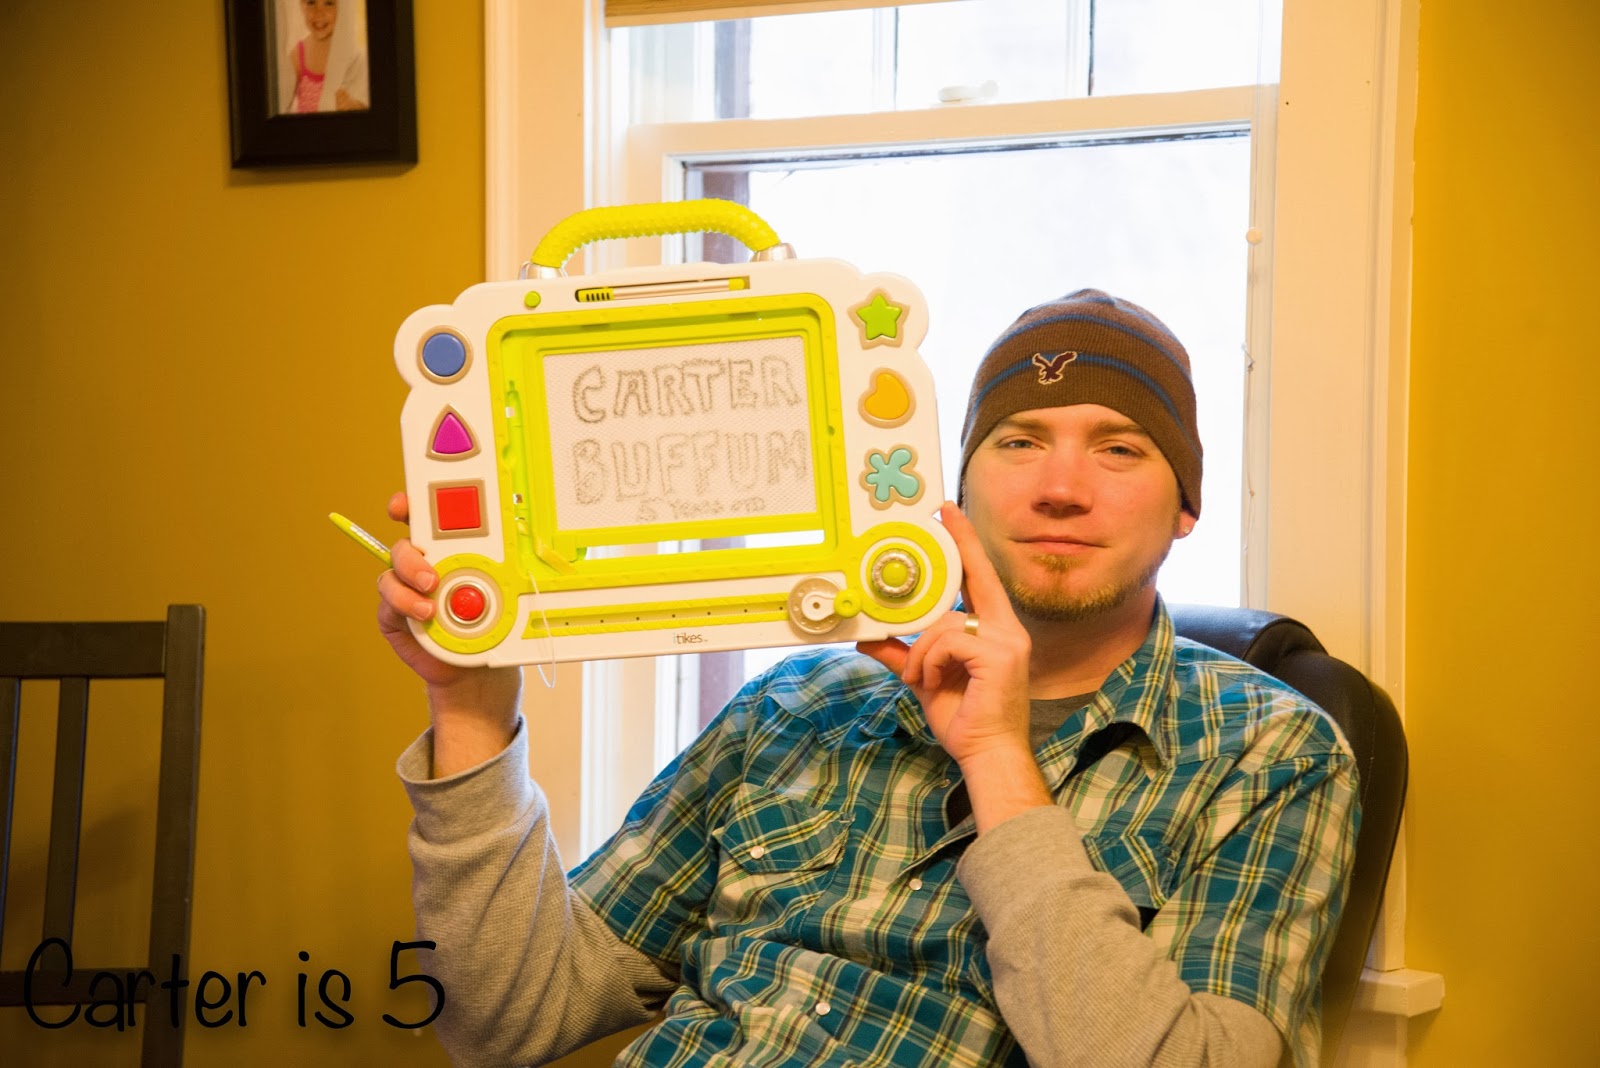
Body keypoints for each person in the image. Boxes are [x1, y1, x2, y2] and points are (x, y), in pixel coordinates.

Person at [378, 289, 1359, 1067]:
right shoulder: (794, 704)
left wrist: (995, 757)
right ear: (957, 489)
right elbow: (507, 1020)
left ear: (1184, 505)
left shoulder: (1271, 751)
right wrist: (469, 708)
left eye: (1119, 449)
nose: (1061, 488)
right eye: (1019, 442)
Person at [283, 0, 368, 115]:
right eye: (311, 3)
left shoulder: (356, 58)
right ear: (302, 6)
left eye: (329, 3)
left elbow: (367, 106)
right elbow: (283, 103)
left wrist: (353, 105)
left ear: (342, 8)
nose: (319, 13)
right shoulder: (298, 53)